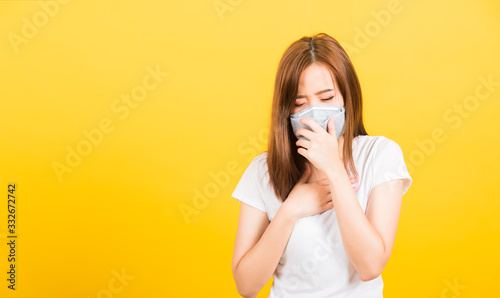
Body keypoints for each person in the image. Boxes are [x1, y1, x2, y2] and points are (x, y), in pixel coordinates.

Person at [231, 32, 412, 298]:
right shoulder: (263, 171)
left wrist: (335, 171)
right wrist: (290, 210)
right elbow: (246, 286)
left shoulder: (380, 155)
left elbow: (370, 266)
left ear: (346, 98)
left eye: (326, 98)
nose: (313, 112)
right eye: (299, 103)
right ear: (286, 111)